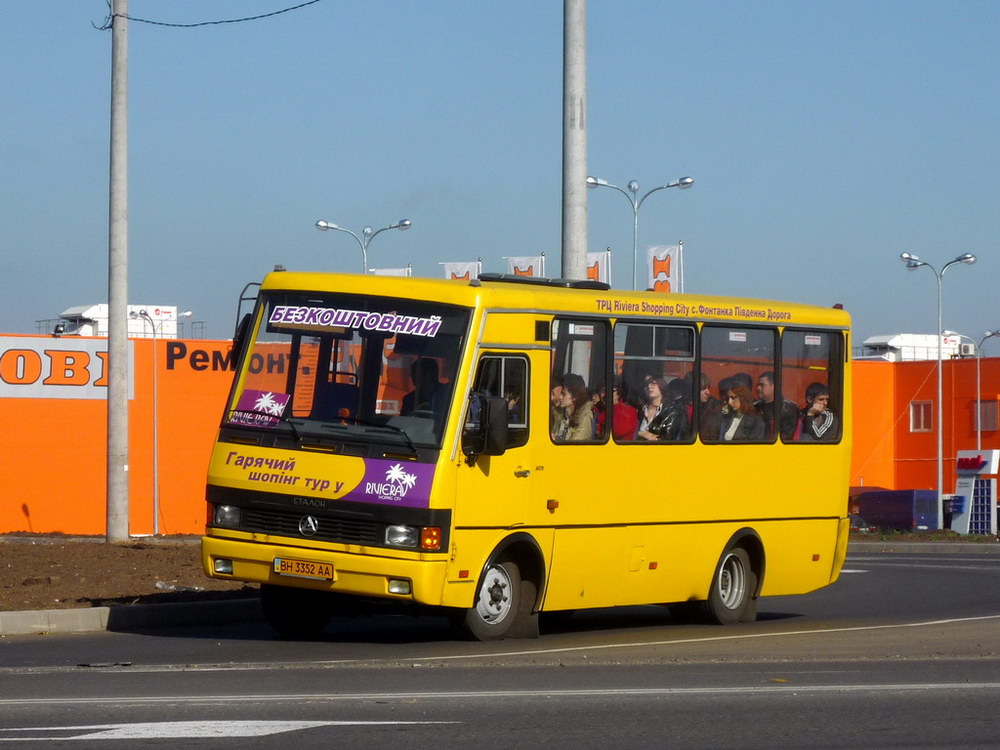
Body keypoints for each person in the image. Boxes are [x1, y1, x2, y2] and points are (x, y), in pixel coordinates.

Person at [636, 375, 687, 441]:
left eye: (653, 383)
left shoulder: (672, 411)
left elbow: (669, 438)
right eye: (646, 384)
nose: (649, 386)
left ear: (661, 385)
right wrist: (640, 433)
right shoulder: (639, 409)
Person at [755, 371, 798, 441]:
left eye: (762, 385)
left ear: (774, 386)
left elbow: (787, 436)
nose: (758, 388)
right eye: (758, 385)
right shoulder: (755, 407)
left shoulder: (788, 408)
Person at [556, 373, 594, 441]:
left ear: (574, 397)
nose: (560, 397)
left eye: (564, 394)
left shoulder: (584, 419)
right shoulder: (562, 416)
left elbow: (574, 447)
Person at [698, 373, 724, 442]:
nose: (708, 392)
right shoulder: (685, 407)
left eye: (708, 388)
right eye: (703, 389)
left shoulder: (714, 407)